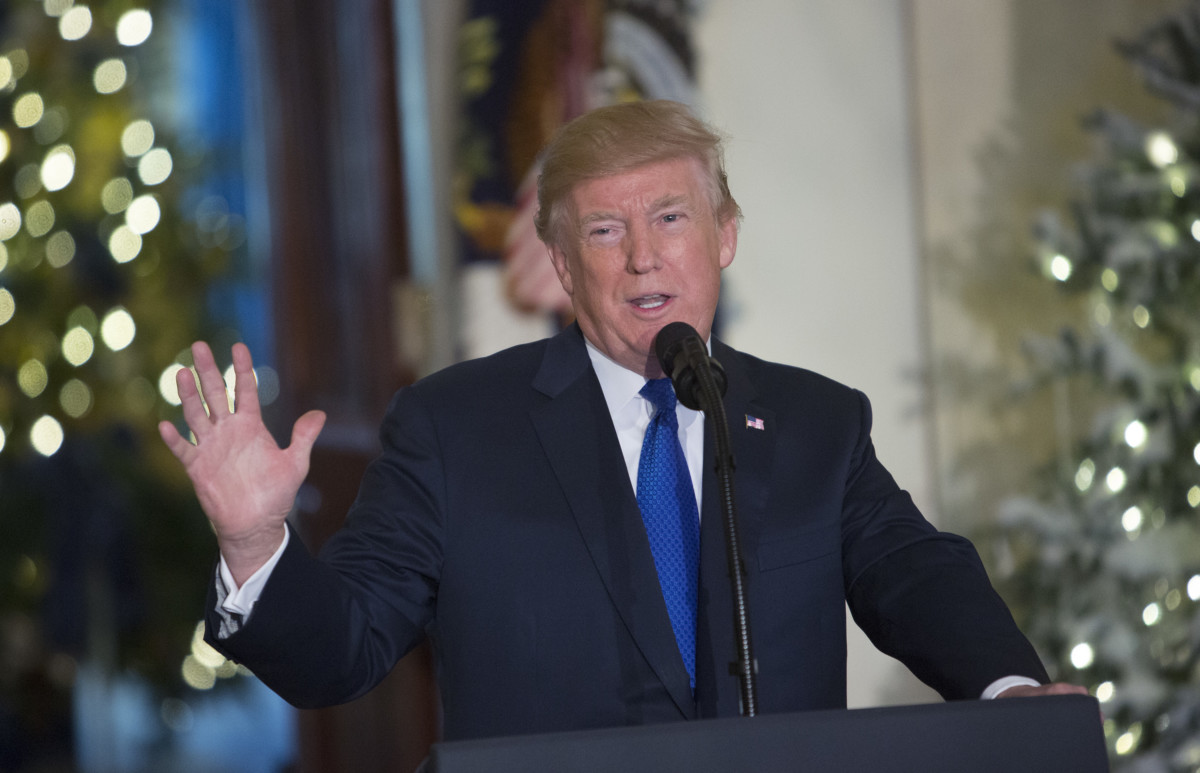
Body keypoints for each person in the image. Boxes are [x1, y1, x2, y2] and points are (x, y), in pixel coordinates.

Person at [159, 100, 1085, 741]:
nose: (644, 257)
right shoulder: (452, 427)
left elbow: (915, 573)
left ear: (725, 235)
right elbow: (342, 652)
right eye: (605, 230)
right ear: (563, 265)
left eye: (671, 217)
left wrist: (1012, 688)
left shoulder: (816, 421)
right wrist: (254, 544)